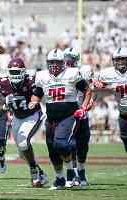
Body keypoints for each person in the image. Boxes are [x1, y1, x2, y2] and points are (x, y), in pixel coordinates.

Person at [30, 49, 92, 190]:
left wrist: (83, 107)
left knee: (61, 144)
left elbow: (87, 90)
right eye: (51, 62)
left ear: (63, 62)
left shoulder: (72, 73)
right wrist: (33, 101)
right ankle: (59, 179)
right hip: (51, 118)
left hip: (68, 115)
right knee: (52, 150)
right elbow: (37, 93)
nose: (54, 65)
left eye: (57, 62)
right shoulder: (42, 76)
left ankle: (71, 171)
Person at [0, 58, 49, 187]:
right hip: (17, 118)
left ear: (23, 72)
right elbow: (1, 100)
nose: (15, 76)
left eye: (17, 72)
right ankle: (39, 172)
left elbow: (39, 91)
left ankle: (33, 171)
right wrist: (4, 106)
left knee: (23, 142)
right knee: (21, 152)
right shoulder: (2, 83)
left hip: (32, 115)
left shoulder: (31, 80)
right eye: (12, 73)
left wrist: (33, 100)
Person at [63, 47, 93, 187]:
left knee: (82, 146)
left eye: (71, 58)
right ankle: (74, 173)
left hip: (82, 113)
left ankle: (81, 171)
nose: (68, 61)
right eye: (67, 58)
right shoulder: (62, 73)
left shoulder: (84, 71)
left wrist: (88, 104)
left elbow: (89, 90)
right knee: (70, 145)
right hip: (68, 114)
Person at [94, 47, 127, 153]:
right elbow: (93, 81)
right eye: (118, 59)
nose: (120, 62)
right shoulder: (107, 73)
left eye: (123, 59)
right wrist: (99, 85)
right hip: (123, 113)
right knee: (125, 137)